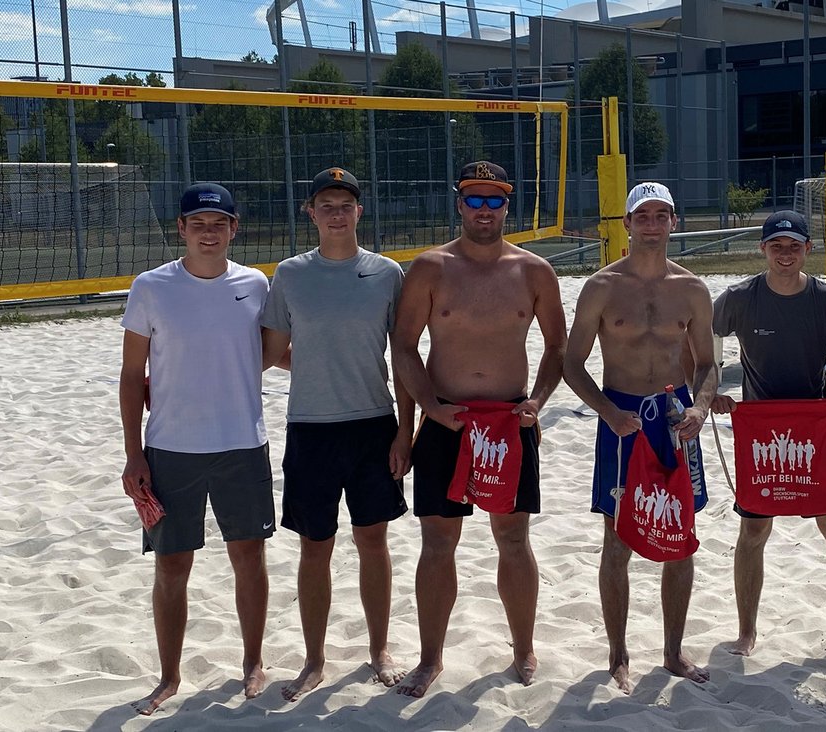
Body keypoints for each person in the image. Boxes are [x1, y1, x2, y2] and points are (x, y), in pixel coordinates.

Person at [391, 161, 567, 697]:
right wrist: (425, 409)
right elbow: (403, 346)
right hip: (447, 418)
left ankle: (524, 647)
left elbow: (557, 347)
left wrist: (537, 401)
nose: (485, 210)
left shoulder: (534, 270)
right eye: (475, 199)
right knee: (438, 541)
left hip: (510, 421)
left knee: (513, 537)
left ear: (507, 206)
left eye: (495, 200)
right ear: (459, 203)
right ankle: (431, 658)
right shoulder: (431, 267)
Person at [119, 183, 273, 715]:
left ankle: (253, 662)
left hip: (242, 443)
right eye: (198, 223)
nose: (209, 232)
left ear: (235, 228)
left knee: (249, 558)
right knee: (171, 566)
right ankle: (168, 675)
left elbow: (280, 353)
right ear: (181, 229)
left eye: (219, 223)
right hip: (170, 448)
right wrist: (133, 453)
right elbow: (129, 376)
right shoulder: (151, 286)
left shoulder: (255, 283)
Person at [710, 209, 826, 661]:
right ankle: (746, 632)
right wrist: (709, 389)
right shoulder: (739, 297)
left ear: (808, 249)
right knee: (754, 529)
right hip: (760, 426)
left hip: (815, 424)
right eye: (777, 246)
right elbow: (700, 340)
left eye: (794, 246)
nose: (785, 254)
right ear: (763, 250)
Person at [261, 167, 413, 699]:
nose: (335, 212)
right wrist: (312, 365)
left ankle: (379, 650)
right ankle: (314, 659)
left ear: (358, 212)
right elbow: (270, 351)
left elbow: (405, 356)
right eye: (325, 204)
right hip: (311, 427)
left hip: (374, 423)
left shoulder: (388, 273)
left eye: (345, 204)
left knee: (374, 540)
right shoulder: (290, 274)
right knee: (315, 546)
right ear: (310, 212)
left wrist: (406, 432)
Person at [563, 181, 717, 694]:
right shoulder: (603, 287)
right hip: (622, 416)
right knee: (617, 540)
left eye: (661, 215)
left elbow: (709, 364)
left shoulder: (692, 288)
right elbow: (571, 362)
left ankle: (672, 651)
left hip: (673, 418)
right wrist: (606, 412)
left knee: (679, 540)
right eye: (642, 216)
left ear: (674, 222)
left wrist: (698, 407)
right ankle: (618, 654)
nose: (651, 225)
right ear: (626, 224)